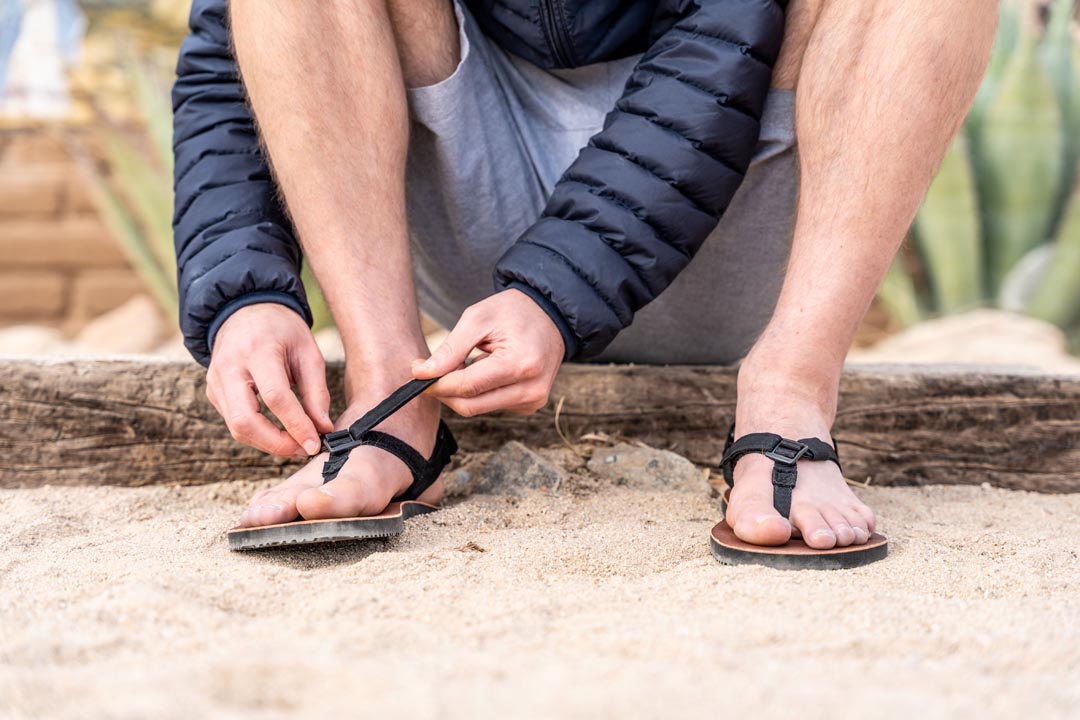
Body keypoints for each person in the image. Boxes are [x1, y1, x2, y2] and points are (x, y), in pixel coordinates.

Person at [173, 0, 995, 550]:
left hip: (735, 192)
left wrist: (557, 288)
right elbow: (227, 42)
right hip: (477, 218)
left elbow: (722, 42)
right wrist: (245, 290)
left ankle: (792, 384)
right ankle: (392, 399)